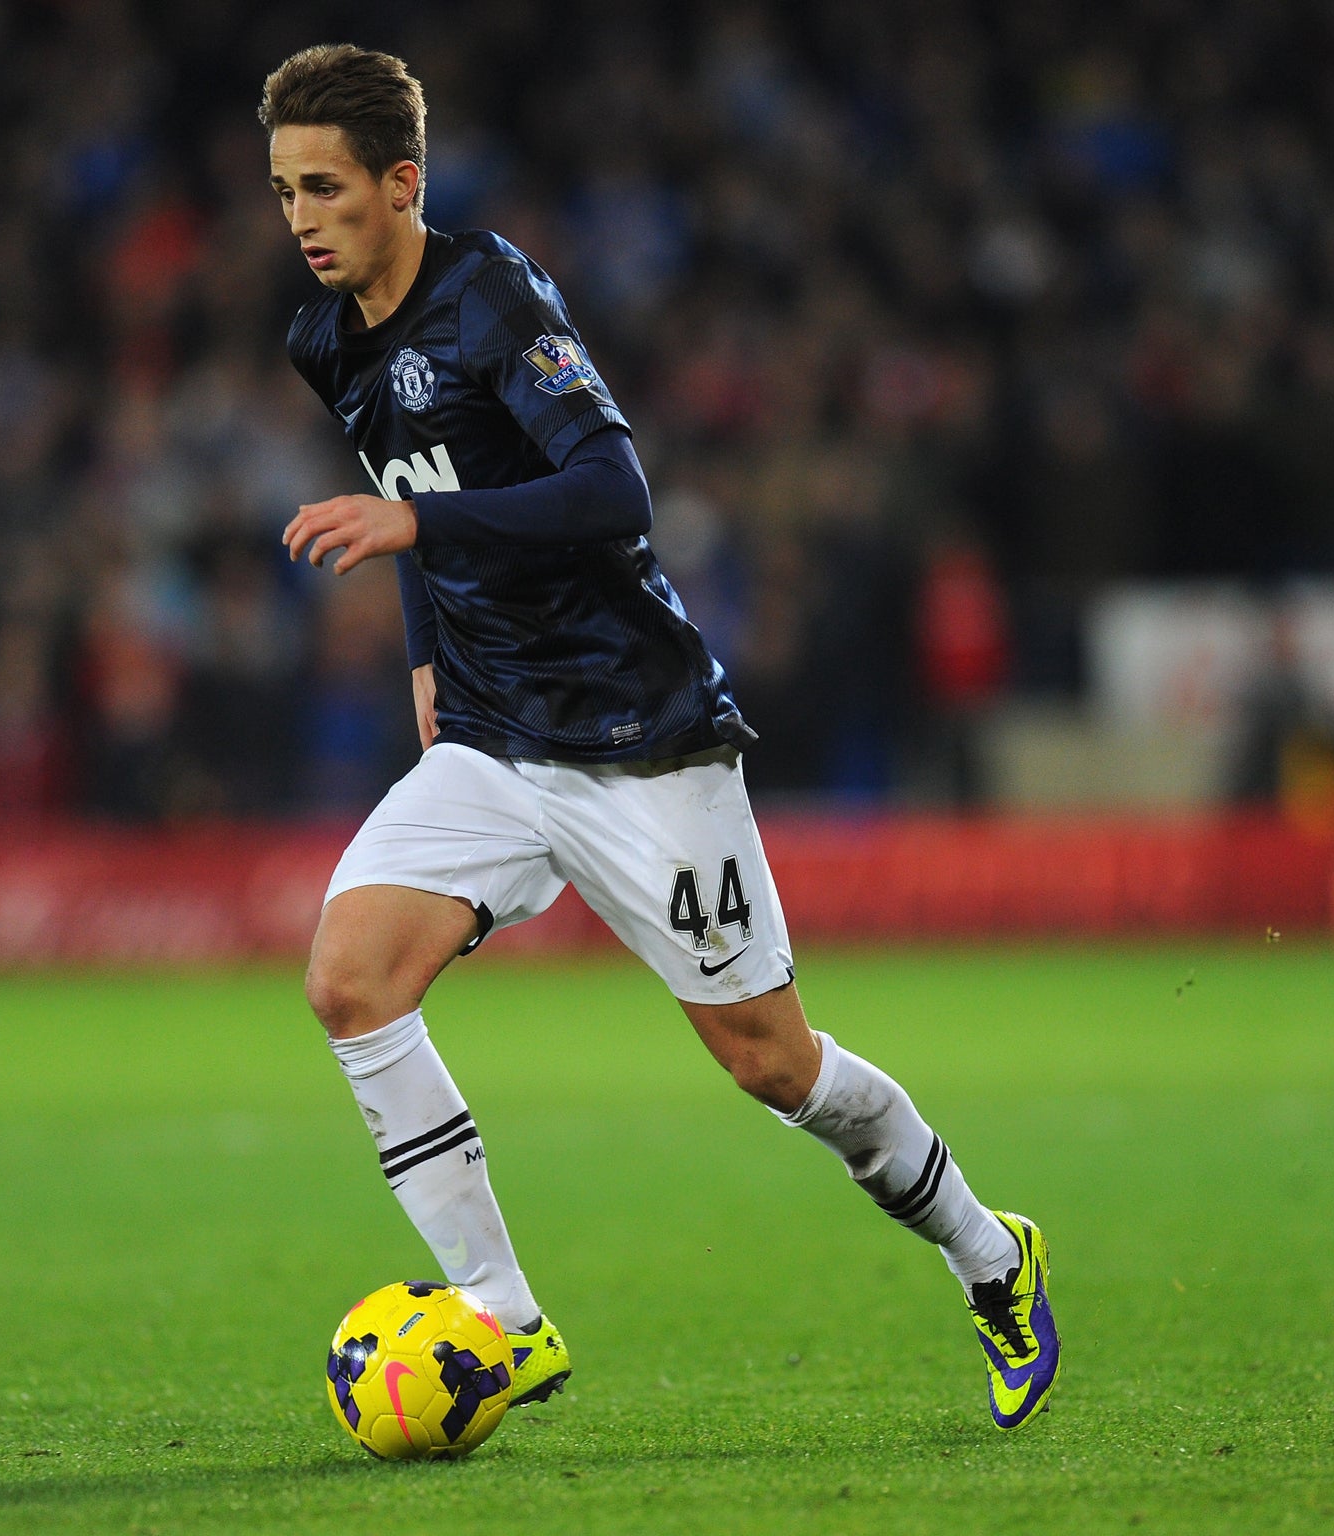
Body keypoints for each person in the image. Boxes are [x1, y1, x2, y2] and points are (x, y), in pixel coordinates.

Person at [264, 43, 1059, 1431]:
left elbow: (609, 489)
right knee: (350, 983)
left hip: (640, 737)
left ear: (402, 184)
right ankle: (505, 1316)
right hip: (497, 739)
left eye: (325, 188)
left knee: (772, 1062)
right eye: (283, 192)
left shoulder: (492, 296)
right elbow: (411, 486)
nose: (301, 218)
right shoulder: (324, 342)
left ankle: (994, 1257)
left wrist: (419, 532)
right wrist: (425, 656)